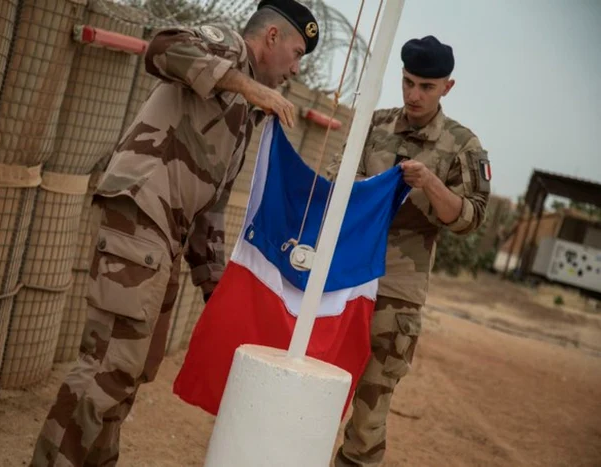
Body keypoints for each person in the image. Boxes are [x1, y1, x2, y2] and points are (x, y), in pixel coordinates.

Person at [29, 1, 319, 465]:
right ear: (270, 38)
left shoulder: (245, 111)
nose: (296, 68)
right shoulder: (226, 47)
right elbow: (162, 49)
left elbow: (210, 209)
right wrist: (247, 86)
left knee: (135, 370)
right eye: (297, 51)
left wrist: (216, 287)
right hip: (142, 216)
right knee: (109, 366)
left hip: (166, 237)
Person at [327, 35, 492, 466]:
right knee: (318, 387)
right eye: (408, 82)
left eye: (427, 87)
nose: (414, 95)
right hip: (343, 281)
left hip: (397, 293)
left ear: (447, 88)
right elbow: (332, 183)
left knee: (368, 416)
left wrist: (432, 184)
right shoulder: (373, 124)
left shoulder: (462, 146)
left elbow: (470, 219)